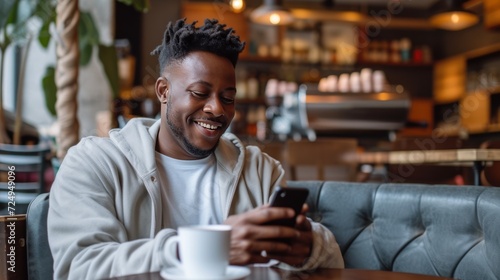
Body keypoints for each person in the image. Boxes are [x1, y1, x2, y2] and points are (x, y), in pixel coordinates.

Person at [47, 18, 344, 279]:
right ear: (163, 91)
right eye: (200, 93)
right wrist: (206, 248)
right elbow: (81, 268)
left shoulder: (260, 170)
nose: (217, 109)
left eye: (228, 98)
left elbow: (332, 260)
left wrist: (307, 248)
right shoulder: (94, 163)